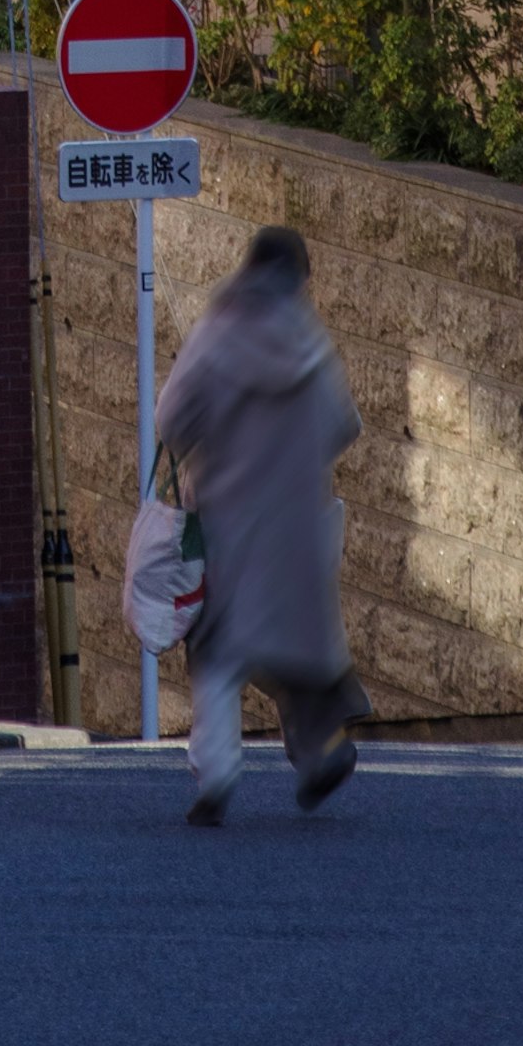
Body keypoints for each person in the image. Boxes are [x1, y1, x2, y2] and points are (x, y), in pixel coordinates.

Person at [156, 216, 363, 821]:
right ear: (296, 279)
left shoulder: (216, 331)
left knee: (218, 654)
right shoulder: (310, 341)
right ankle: (320, 753)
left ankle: (216, 776)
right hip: (296, 529)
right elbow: (342, 424)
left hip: (228, 517)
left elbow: (172, 419)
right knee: (301, 657)